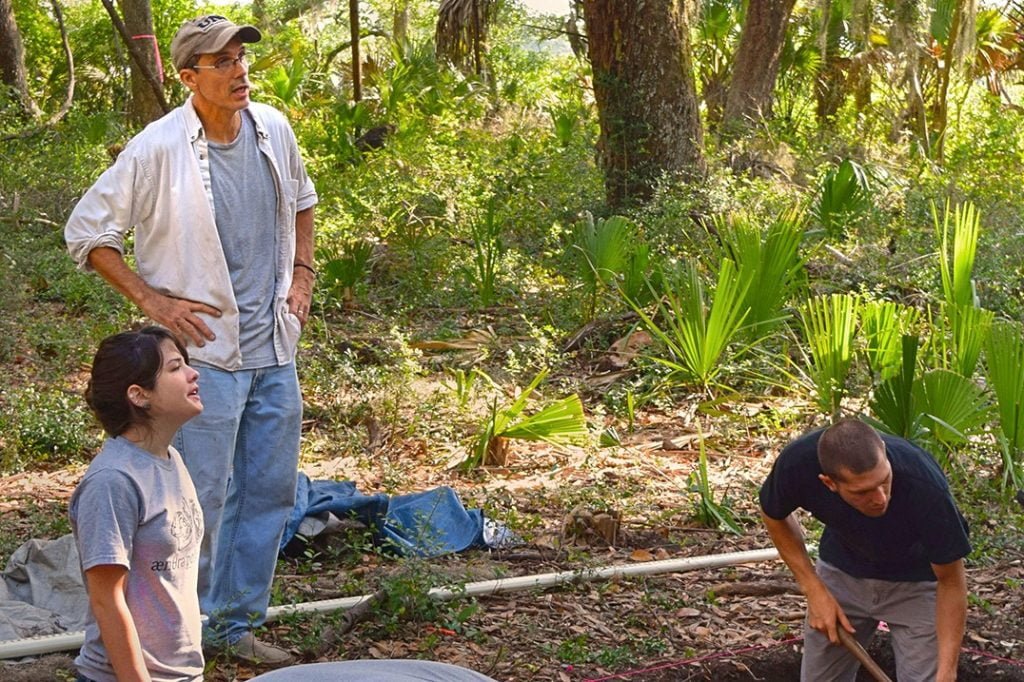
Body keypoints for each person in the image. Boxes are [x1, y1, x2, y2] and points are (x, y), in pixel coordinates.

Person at [65, 14, 318, 666]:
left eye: (241, 58)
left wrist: (303, 274)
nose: (240, 71)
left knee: (268, 492)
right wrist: (152, 301)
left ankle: (233, 626)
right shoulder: (157, 149)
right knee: (193, 504)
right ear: (187, 76)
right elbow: (87, 231)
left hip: (273, 349)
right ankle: (169, 640)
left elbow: (304, 200)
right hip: (203, 356)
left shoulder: (274, 130)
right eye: (223, 62)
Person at [759, 418, 971, 682]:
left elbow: (951, 580)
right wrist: (814, 590)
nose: (880, 498)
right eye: (863, 492)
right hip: (841, 574)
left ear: (883, 451)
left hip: (917, 583)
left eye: (884, 481)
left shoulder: (924, 484)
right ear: (829, 483)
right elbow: (773, 514)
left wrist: (947, 673)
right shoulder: (797, 464)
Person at [70, 327, 205, 682]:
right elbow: (106, 600)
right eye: (176, 368)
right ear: (139, 395)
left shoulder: (171, 458)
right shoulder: (112, 481)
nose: (193, 374)